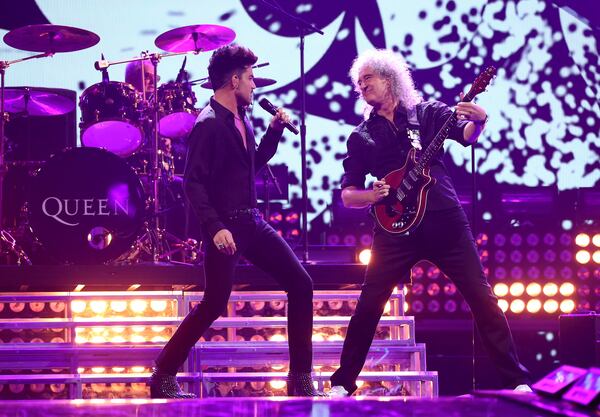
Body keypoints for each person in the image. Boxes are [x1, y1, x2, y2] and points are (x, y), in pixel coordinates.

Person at [329, 49, 532, 396]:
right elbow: (347, 195)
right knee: (368, 306)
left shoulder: (428, 113)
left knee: (482, 299)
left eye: (368, 79)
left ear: (389, 78)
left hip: (444, 220)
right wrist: (372, 196)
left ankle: (515, 381)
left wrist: (479, 121)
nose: (362, 87)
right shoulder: (361, 135)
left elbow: (465, 133)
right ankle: (342, 383)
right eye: (358, 83)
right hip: (395, 229)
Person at [149, 44, 324, 398]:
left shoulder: (240, 119)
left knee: (301, 284)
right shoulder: (209, 124)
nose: (255, 85)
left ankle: (300, 379)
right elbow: (193, 183)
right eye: (250, 78)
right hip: (226, 227)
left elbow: (250, 168)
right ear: (234, 80)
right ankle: (164, 374)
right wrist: (216, 228)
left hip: (251, 222)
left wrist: (275, 130)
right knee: (214, 302)